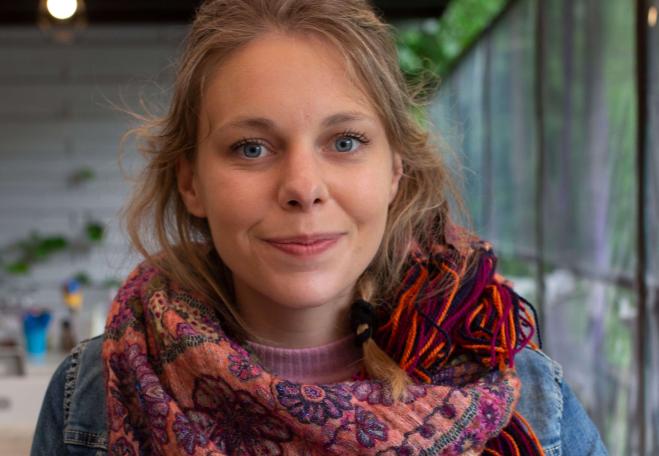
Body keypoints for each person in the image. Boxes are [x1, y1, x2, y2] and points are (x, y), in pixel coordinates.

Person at [31, 0, 608, 454]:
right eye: (251, 147)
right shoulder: (96, 394)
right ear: (191, 183)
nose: (303, 187)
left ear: (395, 172)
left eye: (345, 142)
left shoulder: (528, 402)